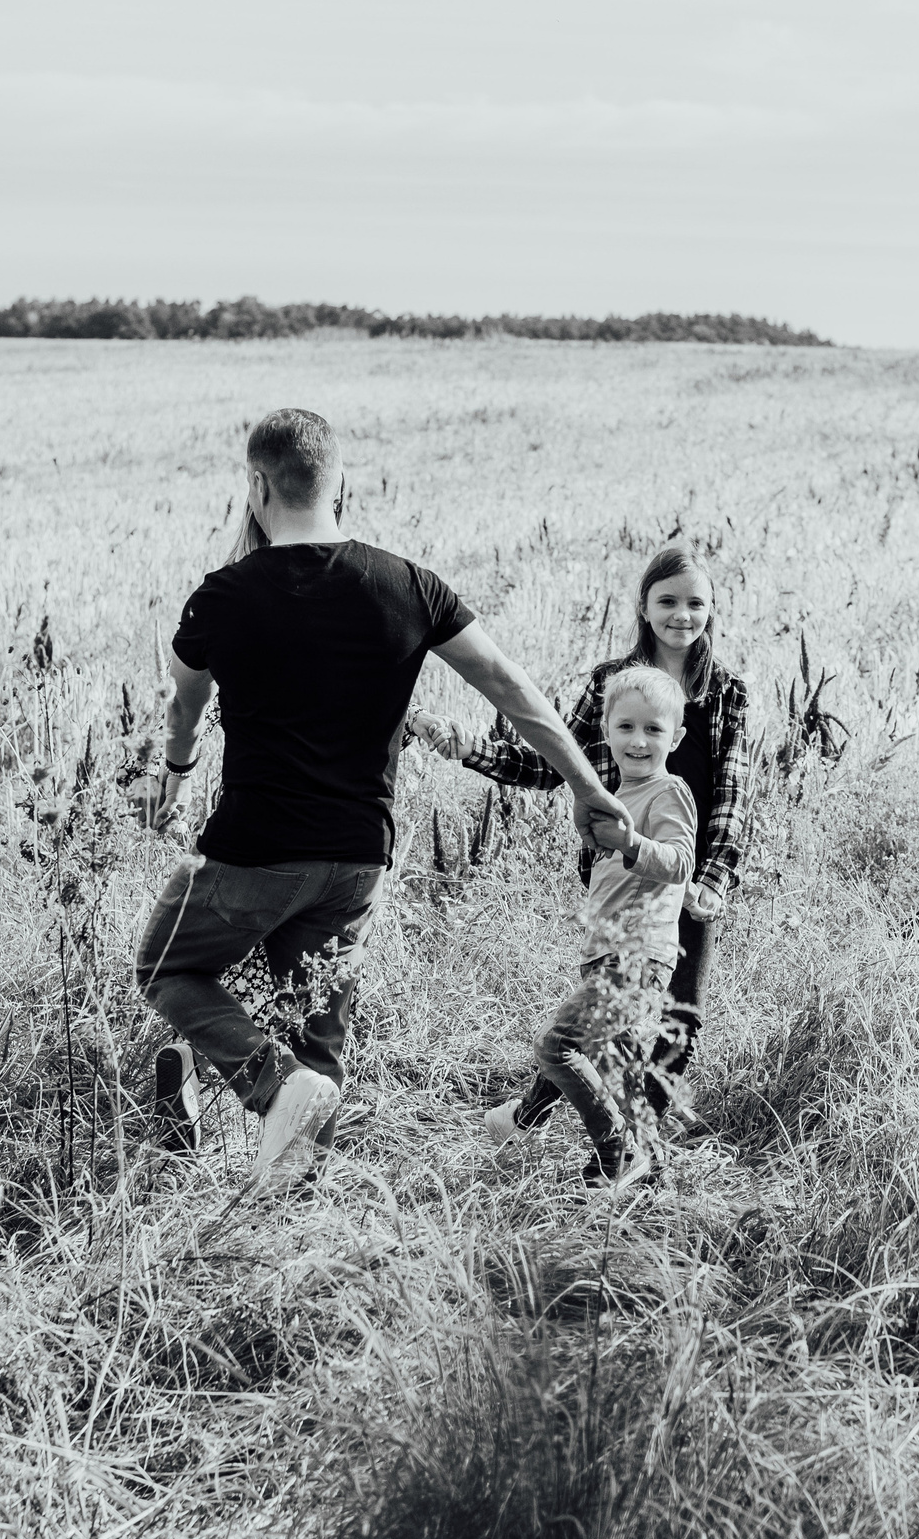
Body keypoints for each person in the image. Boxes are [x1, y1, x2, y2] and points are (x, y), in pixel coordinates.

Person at [141, 408, 628, 1194]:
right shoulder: (408, 584)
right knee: (320, 1034)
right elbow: (510, 685)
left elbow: (184, 703)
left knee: (165, 966)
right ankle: (297, 1208)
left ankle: (269, 1087)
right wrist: (587, 784)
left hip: (254, 850)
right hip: (360, 856)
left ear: (257, 484)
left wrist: (178, 766)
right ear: (344, 484)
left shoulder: (222, 596)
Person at [409, 544, 749, 1132]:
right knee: (602, 1020)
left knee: (679, 1018)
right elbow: (555, 763)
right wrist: (474, 749)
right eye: (666, 601)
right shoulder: (610, 685)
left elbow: (732, 795)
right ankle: (564, 1127)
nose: (681, 615)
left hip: (686, 880)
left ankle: (623, 1141)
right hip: (618, 879)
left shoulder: (725, 693)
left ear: (712, 611)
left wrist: (713, 880)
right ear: (644, 607)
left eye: (696, 603)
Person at [513, 665, 698, 1187]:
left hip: (638, 954)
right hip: (606, 951)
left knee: (557, 1046)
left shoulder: (669, 791)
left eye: (653, 730)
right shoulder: (610, 794)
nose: (638, 741)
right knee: (619, 1071)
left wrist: (631, 843)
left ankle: (615, 1152)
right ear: (605, 730)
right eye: (626, 727)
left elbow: (681, 862)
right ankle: (653, 1173)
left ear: (676, 737)